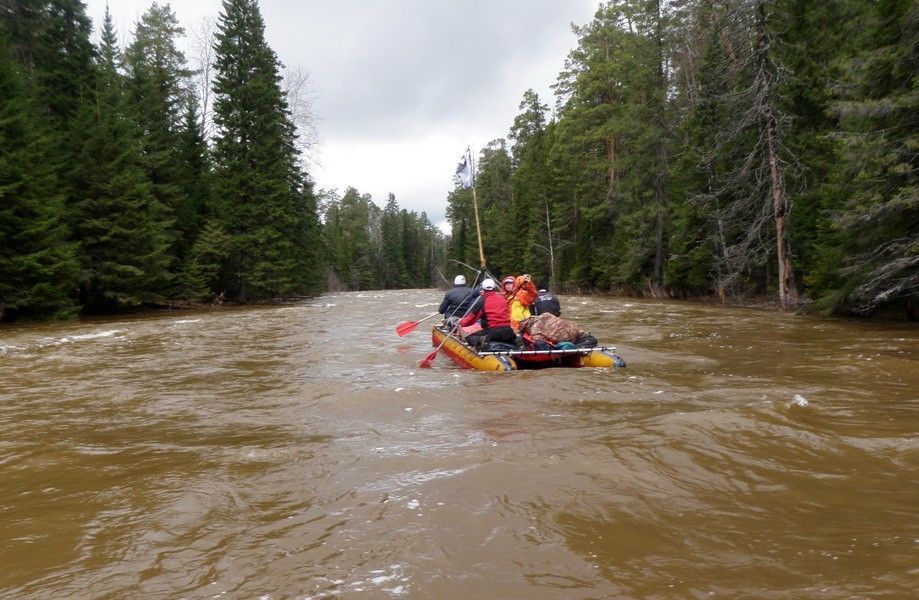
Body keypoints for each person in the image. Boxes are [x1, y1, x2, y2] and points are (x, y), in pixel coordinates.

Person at [460, 278, 517, 349]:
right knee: (510, 336)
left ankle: (482, 341)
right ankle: (516, 341)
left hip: (492, 332)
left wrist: (460, 322)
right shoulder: (502, 298)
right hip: (508, 331)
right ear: (494, 288)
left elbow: (470, 320)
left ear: (482, 289)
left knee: (470, 337)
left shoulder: (482, 301)